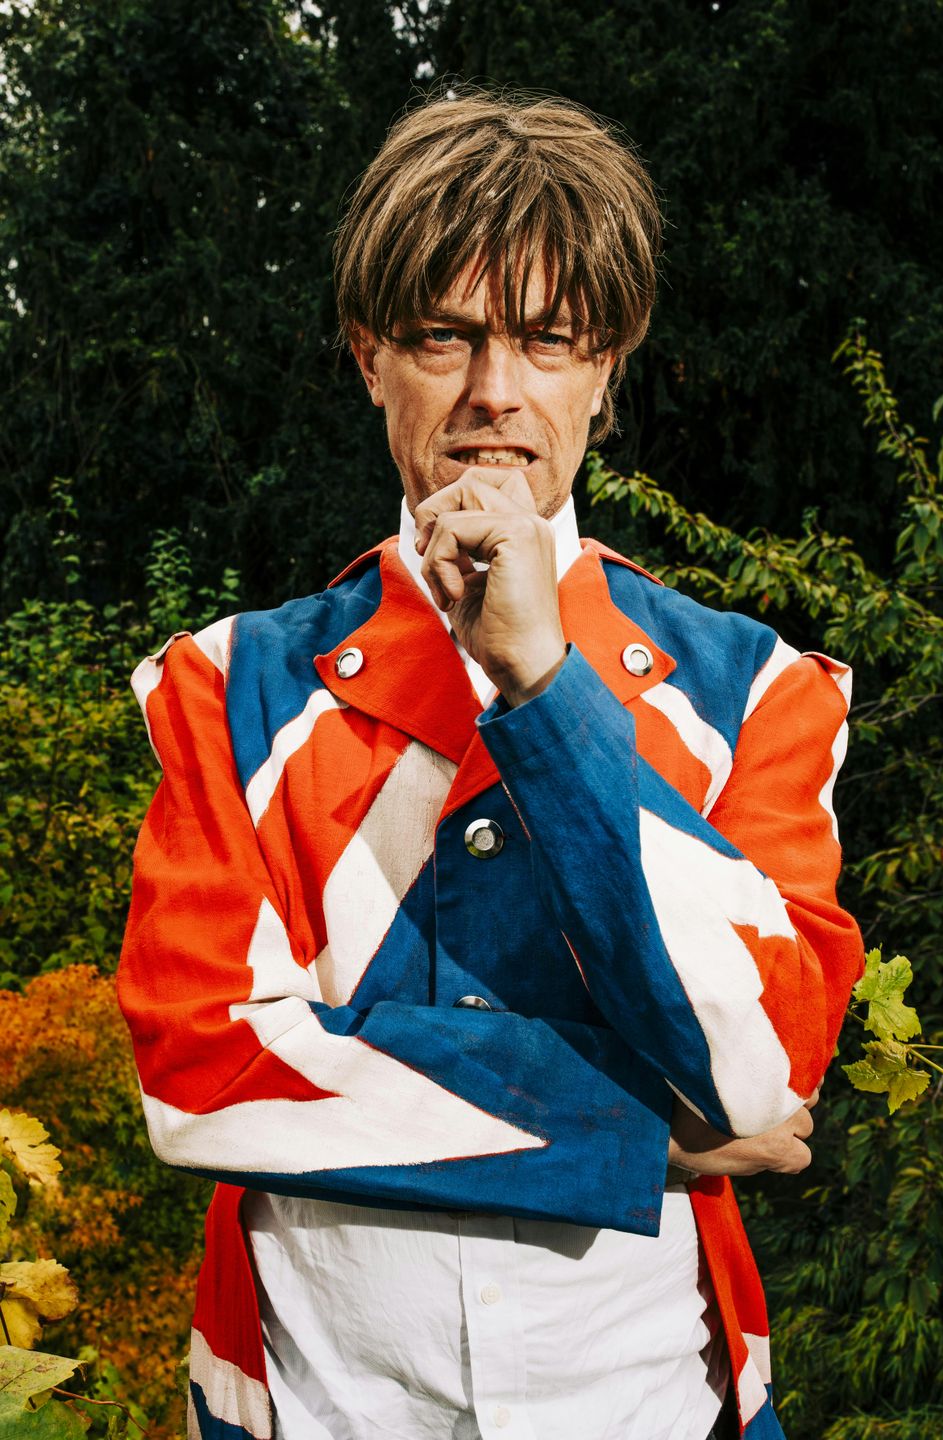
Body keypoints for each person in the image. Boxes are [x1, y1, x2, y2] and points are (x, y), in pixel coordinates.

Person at [117, 90, 864, 1440]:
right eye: (443, 336)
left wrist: (545, 684)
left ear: (605, 371)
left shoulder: (753, 690)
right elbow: (199, 1072)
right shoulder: (231, 686)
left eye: (547, 339)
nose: (494, 393)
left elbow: (760, 1072)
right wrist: (629, 1129)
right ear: (369, 357)